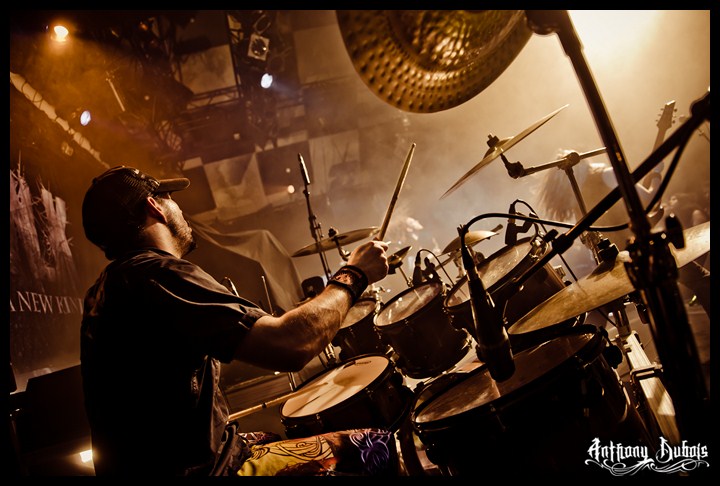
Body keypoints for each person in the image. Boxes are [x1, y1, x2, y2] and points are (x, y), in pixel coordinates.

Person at [80, 166, 396, 476]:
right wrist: (355, 274)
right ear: (154, 206)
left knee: (269, 437)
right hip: (203, 470)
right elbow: (291, 345)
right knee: (375, 444)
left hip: (174, 461)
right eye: (170, 198)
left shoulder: (106, 290)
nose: (180, 208)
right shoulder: (159, 275)